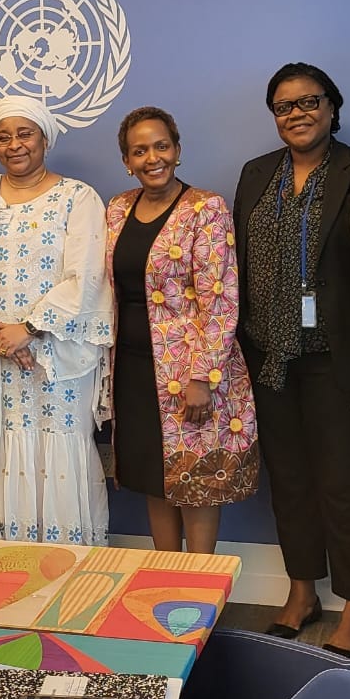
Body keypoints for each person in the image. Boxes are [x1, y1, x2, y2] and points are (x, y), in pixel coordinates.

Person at [234, 65, 350, 656]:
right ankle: (302, 591)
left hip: (340, 356)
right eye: (282, 106)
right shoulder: (255, 174)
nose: (295, 114)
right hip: (269, 356)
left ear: (332, 107)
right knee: (290, 482)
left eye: (308, 102)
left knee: (345, 484)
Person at [0, 95, 112, 545]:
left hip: (55, 359)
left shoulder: (78, 197)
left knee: (57, 449)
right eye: (4, 137)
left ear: (45, 139)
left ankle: (66, 572)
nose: (15, 145)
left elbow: (86, 275)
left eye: (25, 133)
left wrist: (28, 330)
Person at [104, 106, 259, 555]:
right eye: (140, 151)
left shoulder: (204, 209)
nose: (152, 158)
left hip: (189, 374)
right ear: (126, 161)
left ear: (177, 150)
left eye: (161, 146)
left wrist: (202, 377)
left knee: (196, 479)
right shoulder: (117, 209)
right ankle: (165, 586)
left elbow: (222, 297)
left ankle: (199, 595)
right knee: (156, 477)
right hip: (133, 370)